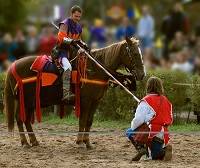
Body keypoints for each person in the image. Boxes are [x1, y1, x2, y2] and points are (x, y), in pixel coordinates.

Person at [126, 76, 173, 161]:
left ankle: (140, 148)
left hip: (151, 132)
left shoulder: (146, 101)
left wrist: (134, 129)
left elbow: (138, 120)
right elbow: (170, 118)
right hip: (164, 134)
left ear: (148, 86)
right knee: (155, 156)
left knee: (129, 131)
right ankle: (164, 150)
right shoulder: (166, 100)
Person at [52, 5, 83, 101]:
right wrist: (71, 41)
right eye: (76, 16)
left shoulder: (79, 27)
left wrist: (83, 45)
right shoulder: (64, 24)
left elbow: (79, 40)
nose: (77, 18)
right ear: (72, 14)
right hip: (62, 52)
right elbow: (61, 38)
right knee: (68, 67)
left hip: (73, 53)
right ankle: (65, 93)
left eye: (79, 16)